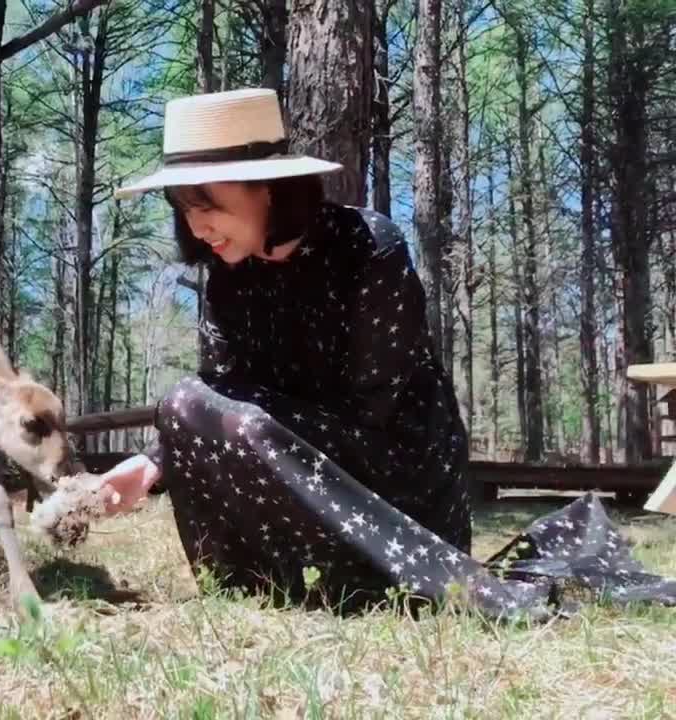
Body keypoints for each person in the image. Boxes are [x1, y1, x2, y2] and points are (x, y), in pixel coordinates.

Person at [96, 88, 675, 618]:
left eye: (209, 205)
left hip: (397, 487)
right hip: (292, 463)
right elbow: (221, 391)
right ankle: (252, 584)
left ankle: (377, 578)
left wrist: (251, 427)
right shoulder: (227, 278)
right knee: (182, 407)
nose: (198, 227)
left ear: (268, 187)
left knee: (205, 408)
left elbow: (376, 412)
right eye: (184, 209)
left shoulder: (368, 247)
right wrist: (153, 463)